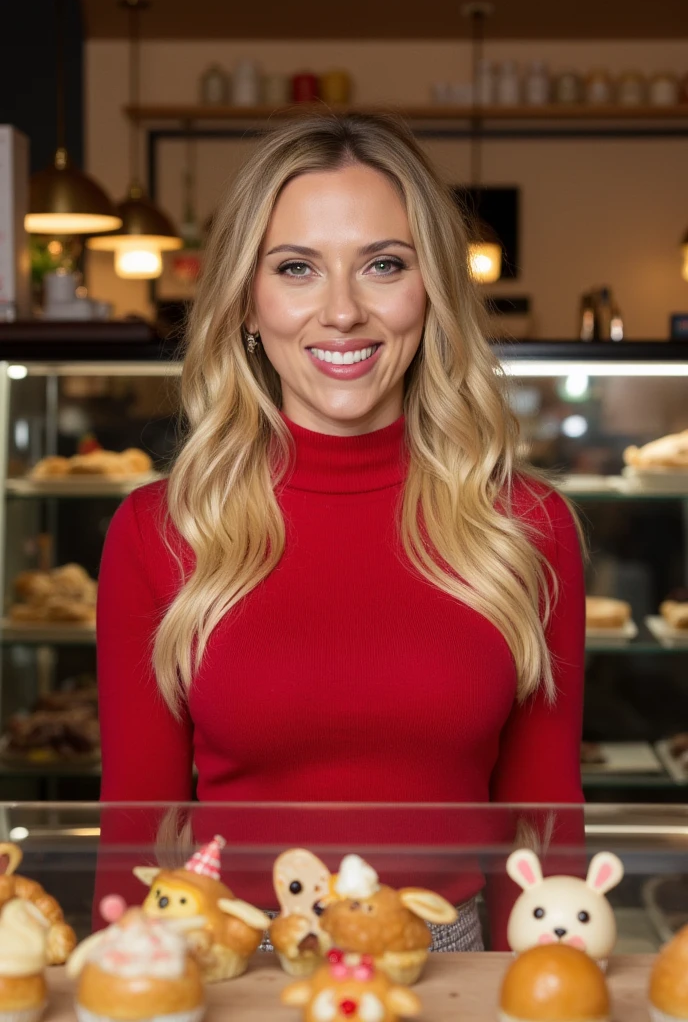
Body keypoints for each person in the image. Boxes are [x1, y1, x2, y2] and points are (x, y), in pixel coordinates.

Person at [96, 112, 586, 951]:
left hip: (450, 966)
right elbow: (135, 837)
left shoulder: (526, 528)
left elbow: (546, 833)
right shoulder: (159, 530)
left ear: (430, 292)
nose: (344, 312)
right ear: (248, 304)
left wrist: (538, 992)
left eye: (383, 266)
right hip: (232, 962)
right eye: (297, 269)